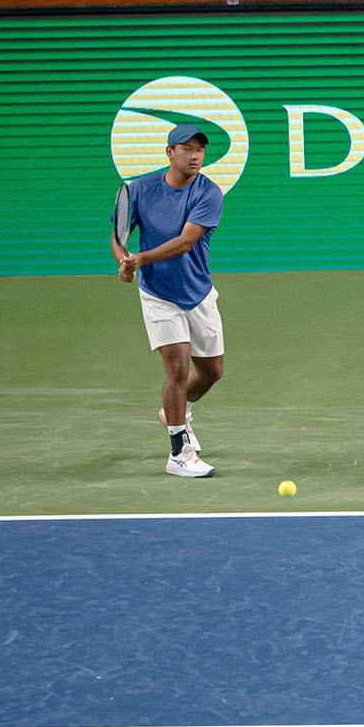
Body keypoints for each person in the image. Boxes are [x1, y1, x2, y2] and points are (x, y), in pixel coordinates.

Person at [112, 124, 225, 478]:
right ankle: (178, 452)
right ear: (169, 153)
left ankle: (173, 412)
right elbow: (119, 235)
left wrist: (139, 259)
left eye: (200, 150)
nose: (195, 156)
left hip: (198, 292)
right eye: (187, 148)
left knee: (211, 372)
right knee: (176, 368)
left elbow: (185, 242)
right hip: (158, 294)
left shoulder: (209, 193)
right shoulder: (139, 190)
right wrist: (124, 261)